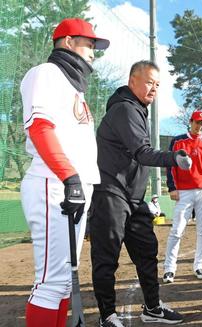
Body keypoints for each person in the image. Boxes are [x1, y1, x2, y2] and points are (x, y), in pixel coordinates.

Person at [19, 18, 109, 327]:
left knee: (61, 284)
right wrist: (70, 177)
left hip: (71, 186)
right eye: (89, 44)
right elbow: (39, 127)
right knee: (50, 283)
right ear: (68, 42)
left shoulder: (73, 87)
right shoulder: (46, 73)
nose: (94, 52)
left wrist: (84, 184)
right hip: (52, 183)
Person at [90, 61, 191, 326]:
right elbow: (143, 153)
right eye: (149, 82)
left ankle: (152, 308)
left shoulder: (137, 110)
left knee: (147, 250)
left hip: (133, 198)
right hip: (110, 192)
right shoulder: (125, 109)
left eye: (157, 84)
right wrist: (174, 157)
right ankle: (107, 316)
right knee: (107, 257)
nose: (154, 89)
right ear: (132, 80)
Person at [163, 110, 202, 284]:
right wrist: (172, 187)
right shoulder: (178, 141)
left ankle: (199, 265)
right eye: (197, 122)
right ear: (190, 122)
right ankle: (169, 268)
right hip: (184, 191)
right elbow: (171, 166)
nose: (200, 126)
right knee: (177, 229)